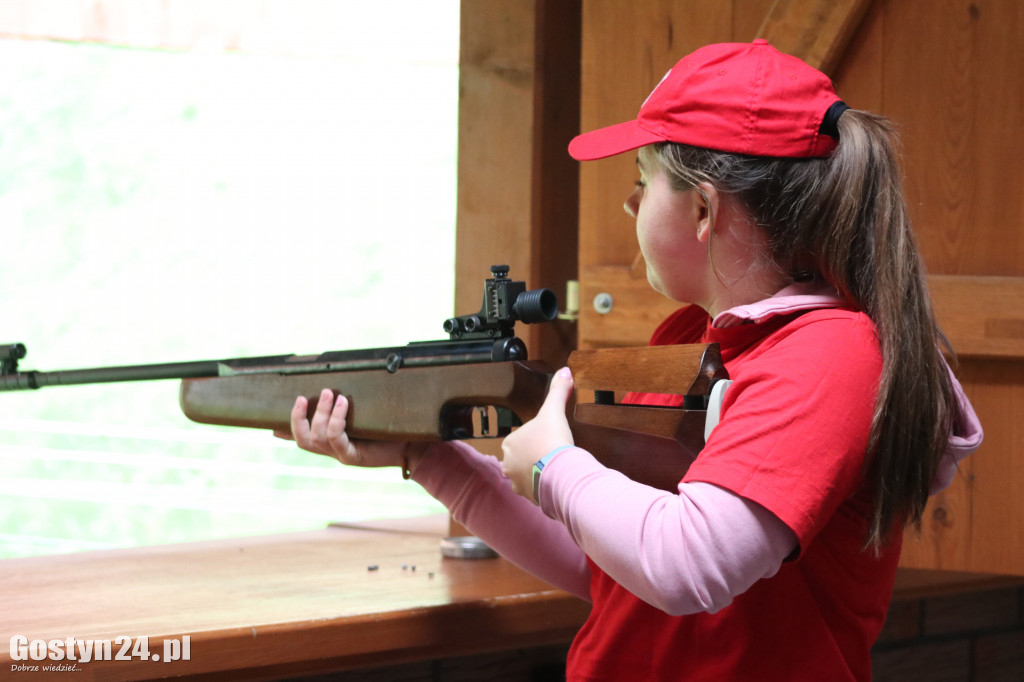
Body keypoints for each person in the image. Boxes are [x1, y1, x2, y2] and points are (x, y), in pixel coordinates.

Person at [279, 40, 983, 681]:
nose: (630, 202)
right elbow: (611, 569)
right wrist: (426, 455)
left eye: (644, 179)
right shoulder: (695, 348)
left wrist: (556, 467)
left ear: (704, 211)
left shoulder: (829, 355)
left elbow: (687, 565)